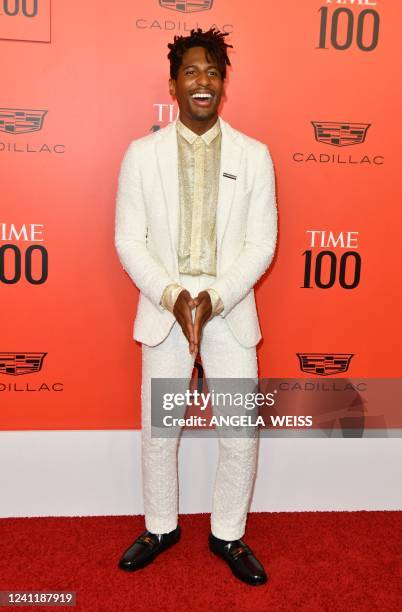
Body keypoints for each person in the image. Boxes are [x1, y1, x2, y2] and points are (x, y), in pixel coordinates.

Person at [114, 27, 277, 586]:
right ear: (174, 83)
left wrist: (215, 297)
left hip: (229, 309)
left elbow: (262, 244)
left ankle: (228, 532)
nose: (202, 81)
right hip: (165, 310)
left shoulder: (256, 157)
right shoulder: (141, 156)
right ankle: (161, 526)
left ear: (223, 85)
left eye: (212, 72)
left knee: (238, 430)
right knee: (161, 430)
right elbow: (128, 241)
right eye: (191, 71)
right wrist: (172, 295)